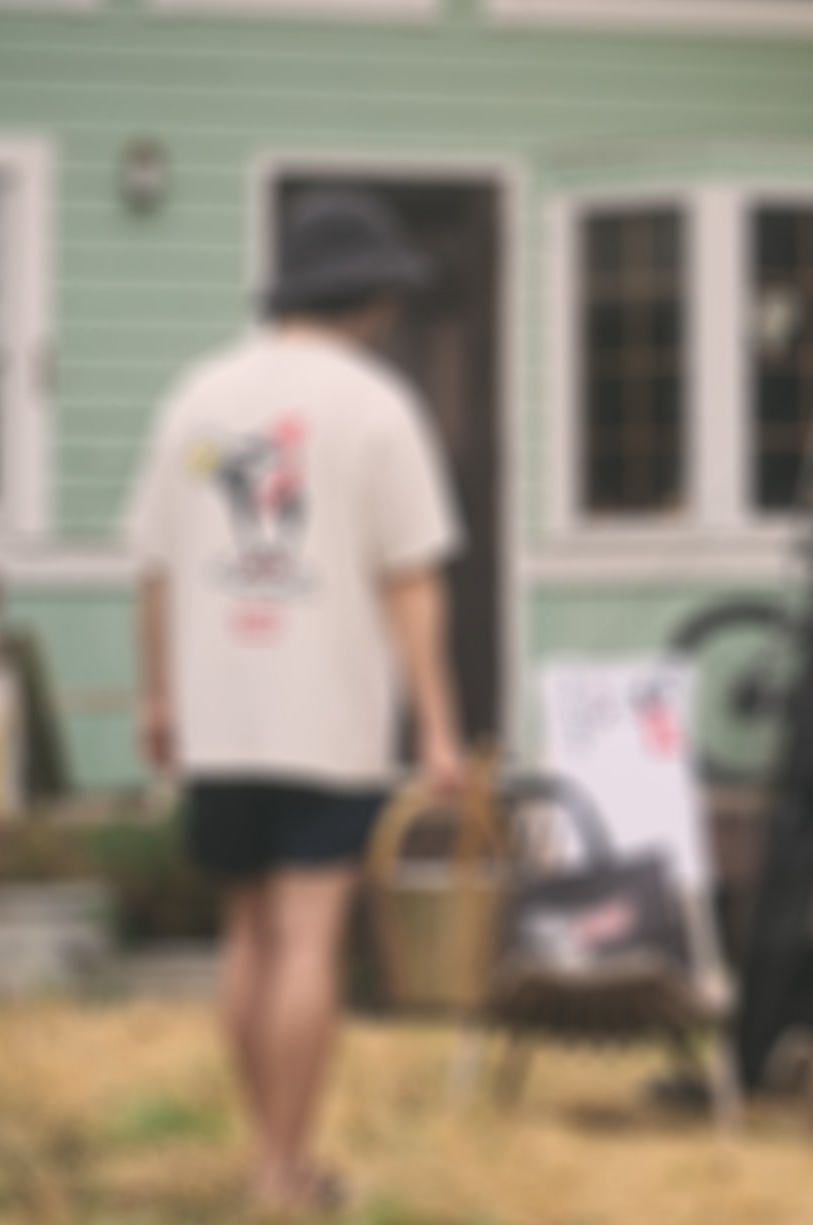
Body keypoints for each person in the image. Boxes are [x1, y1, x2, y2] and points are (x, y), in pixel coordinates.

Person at [125, 189, 464, 1217]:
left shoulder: (196, 395)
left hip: (220, 715)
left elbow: (155, 568)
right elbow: (412, 580)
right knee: (309, 942)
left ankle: (262, 1161)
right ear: (368, 296)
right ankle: (287, 1169)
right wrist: (439, 727)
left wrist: (158, 696)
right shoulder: (379, 405)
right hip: (328, 717)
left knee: (248, 938)